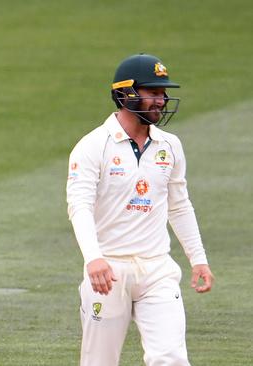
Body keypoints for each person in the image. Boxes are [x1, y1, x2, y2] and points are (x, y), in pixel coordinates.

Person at [66, 53, 215, 366]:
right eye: (153, 92)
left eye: (163, 93)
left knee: (171, 359)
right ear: (125, 94)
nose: (160, 101)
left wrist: (197, 258)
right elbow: (79, 205)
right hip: (108, 271)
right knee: (99, 362)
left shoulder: (170, 146)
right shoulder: (93, 146)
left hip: (157, 270)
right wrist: (93, 258)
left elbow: (179, 204)